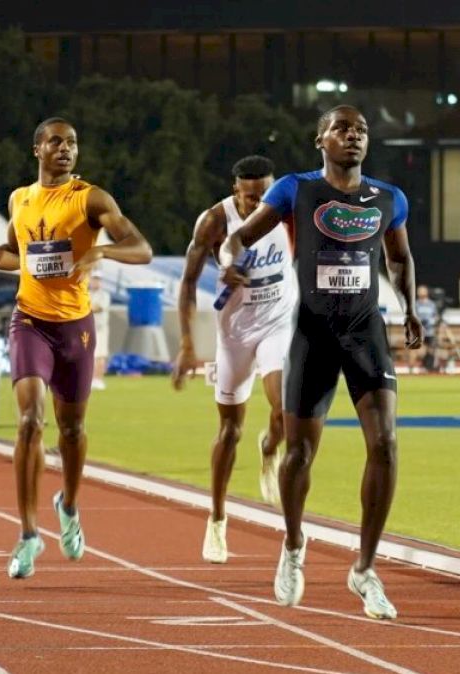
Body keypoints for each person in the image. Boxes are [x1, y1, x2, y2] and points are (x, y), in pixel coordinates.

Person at [219, 105, 422, 619]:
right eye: (342, 129)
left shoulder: (388, 198)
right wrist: (228, 259)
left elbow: (398, 258)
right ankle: (292, 547)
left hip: (363, 330)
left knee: (387, 444)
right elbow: (241, 234)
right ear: (321, 140)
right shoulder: (295, 189)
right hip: (311, 331)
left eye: (361, 131)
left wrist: (411, 308)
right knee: (299, 453)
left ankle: (365, 568)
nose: (353, 136)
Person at [0, 117, 153, 579]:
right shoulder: (20, 198)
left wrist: (101, 251)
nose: (65, 150)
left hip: (75, 329)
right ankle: (28, 534)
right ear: (37, 150)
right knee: (29, 421)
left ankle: (68, 503)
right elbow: (15, 255)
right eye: (56, 142)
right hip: (29, 321)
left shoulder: (91, 198)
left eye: (72, 143)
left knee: (72, 430)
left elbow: (141, 248)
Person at [172, 155, 296, 564]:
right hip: (235, 335)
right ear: (234, 193)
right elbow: (188, 283)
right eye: (250, 198)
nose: (260, 204)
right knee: (229, 431)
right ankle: (217, 520)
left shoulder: (289, 210)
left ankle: (270, 448)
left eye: (266, 195)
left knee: (286, 409)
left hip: (278, 325)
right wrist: (187, 344)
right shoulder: (213, 221)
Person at [88, 270, 111, 390]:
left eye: (98, 279)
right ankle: (91, 379)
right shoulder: (86, 294)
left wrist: (85, 308)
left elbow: (98, 308)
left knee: (100, 355)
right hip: (87, 328)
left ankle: (99, 379)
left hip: (100, 328)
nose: (95, 282)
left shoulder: (104, 295)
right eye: (94, 279)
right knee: (89, 355)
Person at [409, 285, 439, 373]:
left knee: (431, 350)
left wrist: (432, 321)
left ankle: (428, 367)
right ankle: (411, 369)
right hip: (418, 332)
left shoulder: (431, 304)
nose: (421, 294)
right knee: (415, 349)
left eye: (423, 292)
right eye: (420, 292)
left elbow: (435, 316)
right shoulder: (416, 304)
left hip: (429, 332)